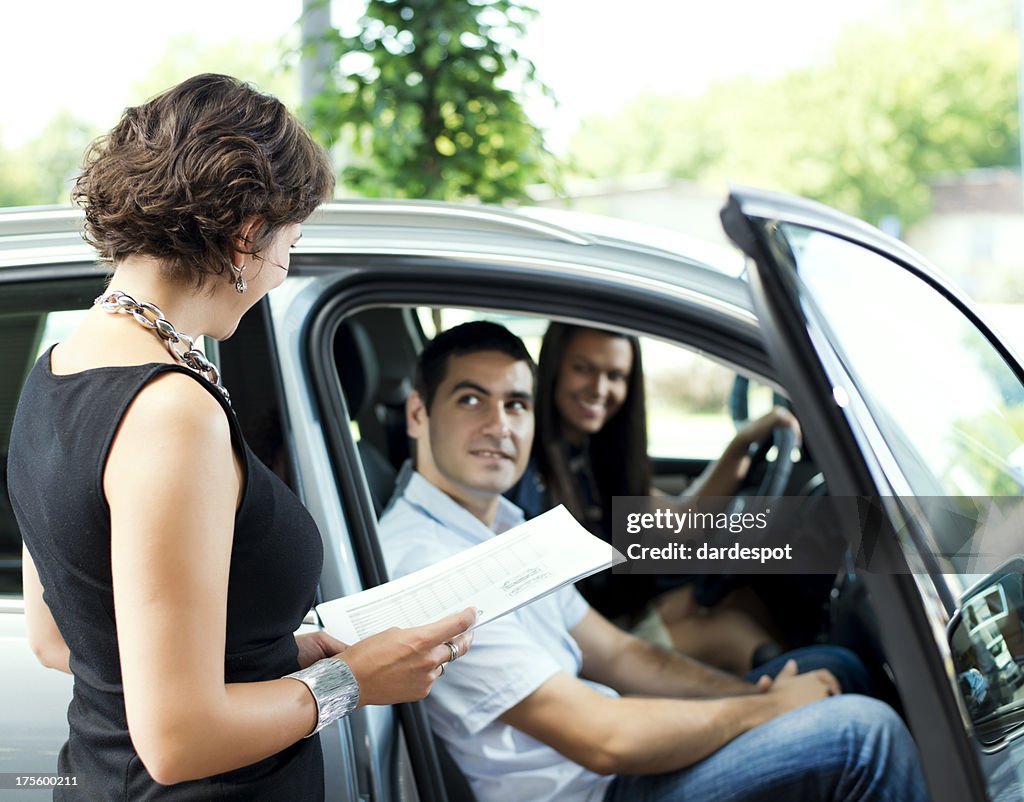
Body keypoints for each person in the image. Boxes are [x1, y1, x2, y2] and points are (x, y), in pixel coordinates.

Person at [7, 74, 474, 801]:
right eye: (290, 245)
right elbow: (178, 739)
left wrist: (280, 654)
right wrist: (349, 681)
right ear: (248, 234)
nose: (279, 277)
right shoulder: (168, 410)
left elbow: (66, 639)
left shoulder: (56, 370)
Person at [377, 321, 929, 802]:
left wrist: (752, 695)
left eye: (516, 403)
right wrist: (772, 710)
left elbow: (615, 651)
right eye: (471, 400)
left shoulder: (501, 527)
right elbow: (602, 738)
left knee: (833, 667)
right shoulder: (431, 570)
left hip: (601, 764)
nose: (500, 425)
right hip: (594, 789)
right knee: (865, 734)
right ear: (419, 414)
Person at [510, 322, 808, 673]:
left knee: (743, 599)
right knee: (735, 635)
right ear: (553, 367)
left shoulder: (593, 455)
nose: (599, 388)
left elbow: (682, 523)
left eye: (616, 375)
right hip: (584, 642)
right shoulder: (526, 467)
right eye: (583, 369)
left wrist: (742, 442)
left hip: (612, 616)